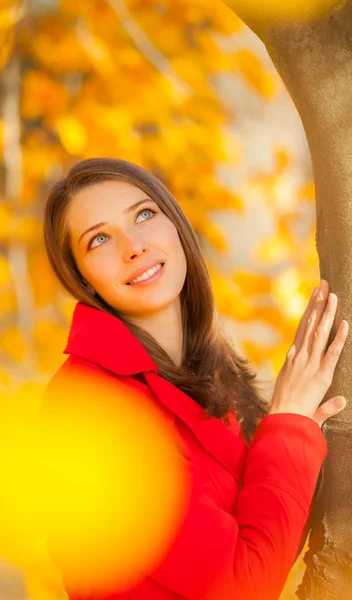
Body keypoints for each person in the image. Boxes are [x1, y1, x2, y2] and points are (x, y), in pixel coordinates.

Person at [41, 157, 348, 600]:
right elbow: (244, 585)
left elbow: (269, 529)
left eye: (144, 214)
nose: (134, 246)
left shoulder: (210, 373)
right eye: (100, 239)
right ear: (83, 279)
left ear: (175, 224)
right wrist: (288, 426)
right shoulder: (88, 409)